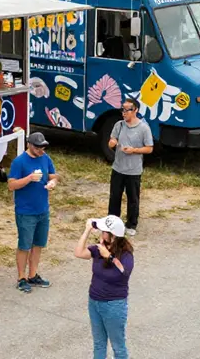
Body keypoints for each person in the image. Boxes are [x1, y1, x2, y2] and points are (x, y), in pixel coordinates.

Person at [74, 215, 134, 359]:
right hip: (94, 302)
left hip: (114, 305)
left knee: (118, 347)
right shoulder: (99, 248)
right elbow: (78, 253)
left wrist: (109, 257)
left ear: (112, 235)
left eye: (104, 231)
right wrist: (87, 230)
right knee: (99, 344)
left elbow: (124, 272)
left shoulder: (126, 255)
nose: (101, 233)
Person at [8, 131, 58, 293]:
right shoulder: (19, 162)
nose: (41, 150)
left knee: (38, 245)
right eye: (38, 147)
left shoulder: (45, 158)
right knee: (24, 245)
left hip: (43, 209)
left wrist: (52, 183)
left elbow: (53, 175)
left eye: (43, 147)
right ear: (29, 145)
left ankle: (33, 274)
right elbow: (11, 185)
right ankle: (21, 277)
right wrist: (29, 178)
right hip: (25, 211)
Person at [107, 98, 153, 236]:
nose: (124, 112)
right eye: (123, 109)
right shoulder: (119, 125)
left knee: (133, 198)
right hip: (118, 168)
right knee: (115, 197)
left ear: (136, 110)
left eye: (128, 109)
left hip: (134, 170)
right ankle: (112, 222)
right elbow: (111, 141)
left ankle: (131, 224)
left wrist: (134, 150)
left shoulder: (143, 128)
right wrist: (112, 142)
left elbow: (149, 148)